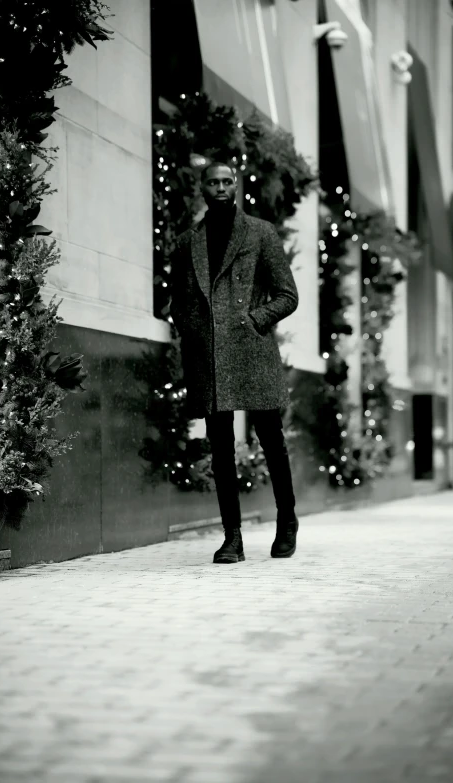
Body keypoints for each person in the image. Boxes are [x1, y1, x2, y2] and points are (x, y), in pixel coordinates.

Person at [169, 161, 299, 564]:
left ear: (236, 185)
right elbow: (179, 303)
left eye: (227, 181)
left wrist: (254, 319)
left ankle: (287, 519)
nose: (221, 188)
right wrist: (193, 332)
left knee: (272, 441)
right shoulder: (187, 241)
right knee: (221, 449)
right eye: (213, 182)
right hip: (209, 356)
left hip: (252, 349)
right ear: (202, 188)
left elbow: (288, 295)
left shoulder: (260, 232)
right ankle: (233, 538)